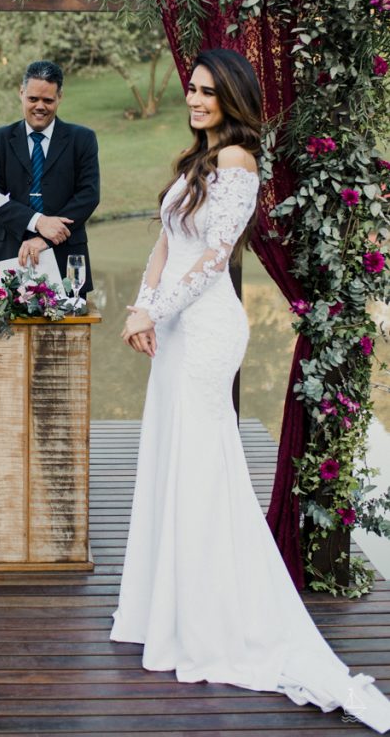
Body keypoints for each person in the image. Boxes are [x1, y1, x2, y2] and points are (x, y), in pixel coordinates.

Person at [110, 48, 390, 733]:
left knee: (204, 466)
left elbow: (210, 260)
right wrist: (137, 307)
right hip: (172, 325)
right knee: (172, 457)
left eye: (208, 92)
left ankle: (210, 613)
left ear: (231, 100)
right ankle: (162, 604)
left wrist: (160, 310)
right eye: (192, 89)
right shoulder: (193, 165)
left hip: (205, 330)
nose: (196, 99)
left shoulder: (237, 163)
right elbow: (165, 247)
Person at [0, 59, 100, 292]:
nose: (40, 106)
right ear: (21, 93)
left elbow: (89, 195)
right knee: (5, 329)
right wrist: (38, 222)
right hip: (8, 254)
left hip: (67, 258)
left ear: (60, 97)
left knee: (69, 329)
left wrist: (46, 238)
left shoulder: (83, 139)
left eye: (48, 100)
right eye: (33, 99)